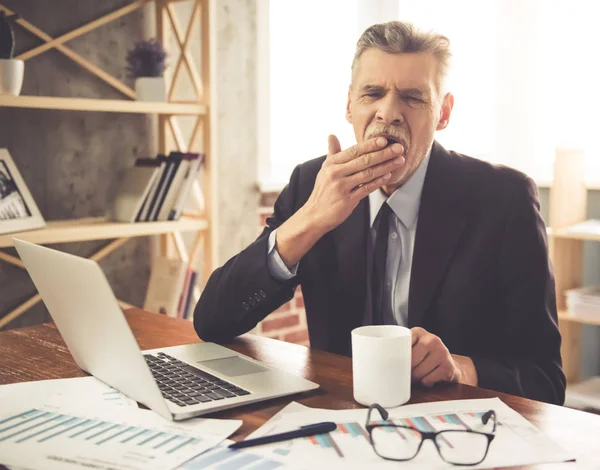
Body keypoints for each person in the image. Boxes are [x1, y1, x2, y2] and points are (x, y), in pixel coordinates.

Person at [194, 21, 566, 405]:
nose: (389, 113)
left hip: (454, 432)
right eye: (373, 93)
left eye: (413, 97)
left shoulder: (505, 200)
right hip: (339, 417)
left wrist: (462, 369)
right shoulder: (310, 184)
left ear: (444, 113)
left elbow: (546, 380)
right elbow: (212, 322)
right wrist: (311, 219)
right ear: (349, 105)